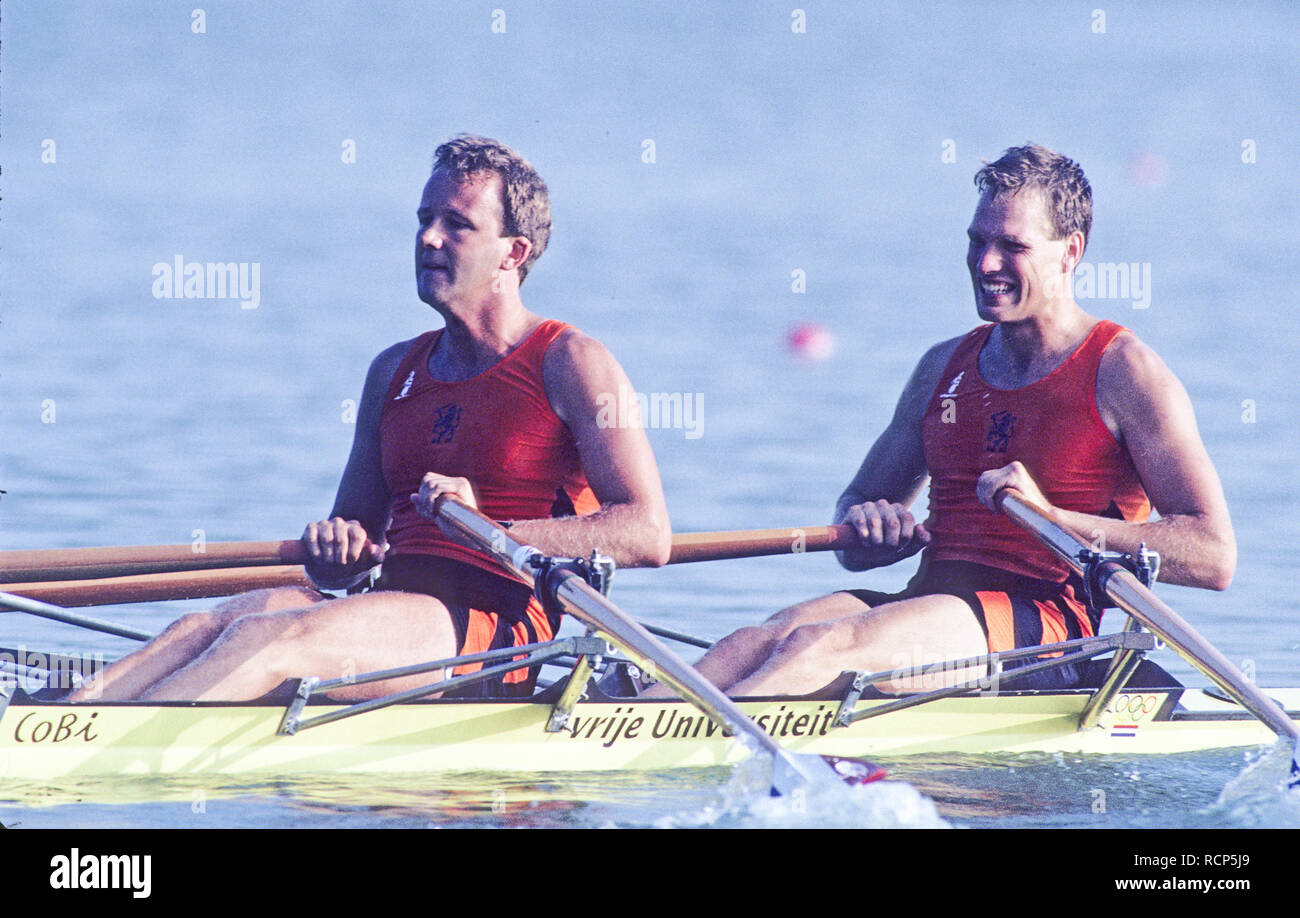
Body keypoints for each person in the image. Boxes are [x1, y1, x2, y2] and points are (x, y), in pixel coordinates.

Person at [71, 135, 671, 703]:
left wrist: (496, 527)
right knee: (211, 623)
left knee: (266, 641)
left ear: (514, 252)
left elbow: (647, 532)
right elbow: (352, 544)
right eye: (423, 219)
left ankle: (93, 753)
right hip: (394, 606)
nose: (429, 238)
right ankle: (63, 721)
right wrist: (337, 548)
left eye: (457, 225)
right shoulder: (393, 371)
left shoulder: (570, 362)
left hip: (499, 627)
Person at [655, 143, 1235, 698]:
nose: (986, 264)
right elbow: (854, 526)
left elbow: (1212, 555)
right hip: (931, 597)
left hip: (1044, 629)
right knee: (756, 640)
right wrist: (871, 527)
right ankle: (625, 722)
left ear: (1071, 251)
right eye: (977, 241)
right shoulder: (943, 366)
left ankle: (684, 754)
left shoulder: (1125, 372)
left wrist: (1053, 519)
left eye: (1012, 246)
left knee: (819, 649)